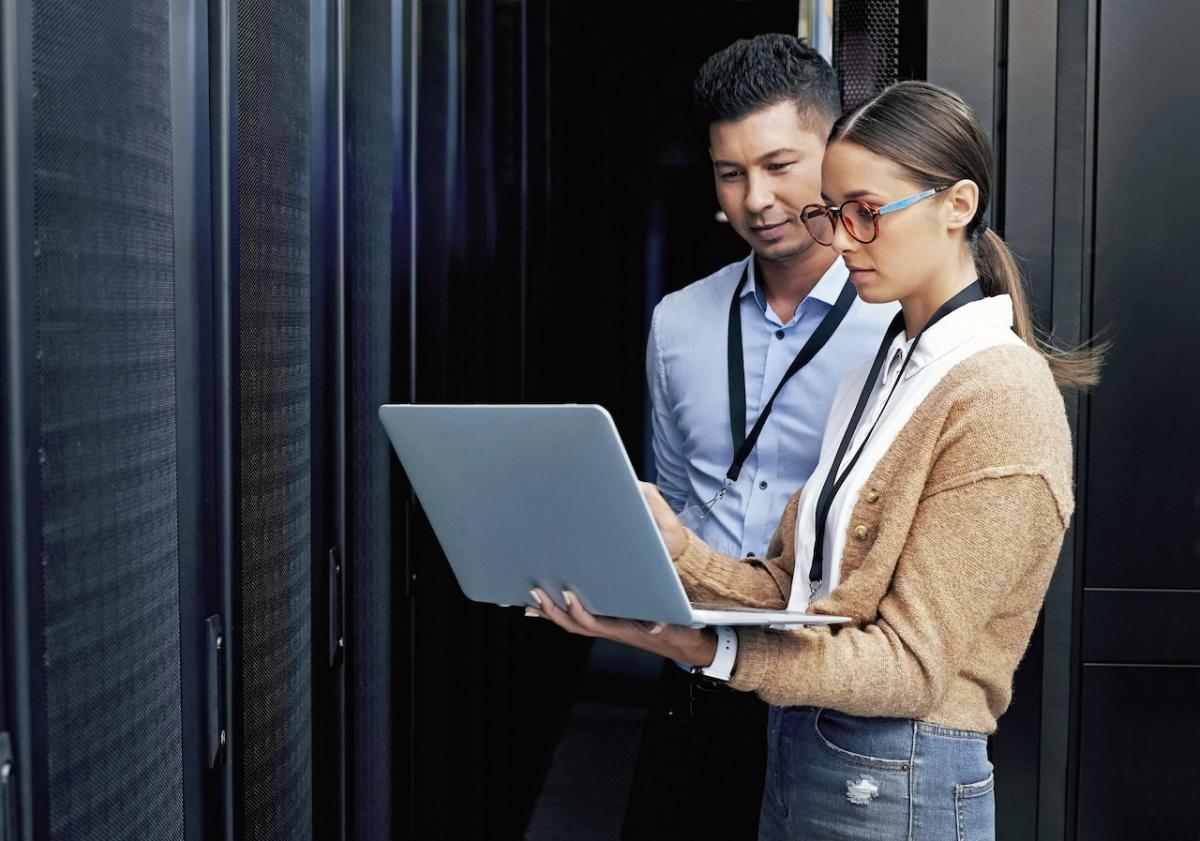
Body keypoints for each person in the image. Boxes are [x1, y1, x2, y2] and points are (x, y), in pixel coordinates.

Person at [527, 80, 1102, 841]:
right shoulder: (886, 368)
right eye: (833, 214)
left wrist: (706, 645)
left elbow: (908, 666)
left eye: (867, 213)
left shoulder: (1001, 392)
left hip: (902, 777)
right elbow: (797, 590)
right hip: (811, 753)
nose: (841, 239)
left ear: (956, 204)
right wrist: (677, 552)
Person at [626, 34, 896, 840]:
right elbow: (672, 500)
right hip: (694, 683)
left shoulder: (898, 324)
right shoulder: (676, 322)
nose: (757, 200)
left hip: (833, 698)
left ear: (836, 153)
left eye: (780, 165)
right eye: (731, 172)